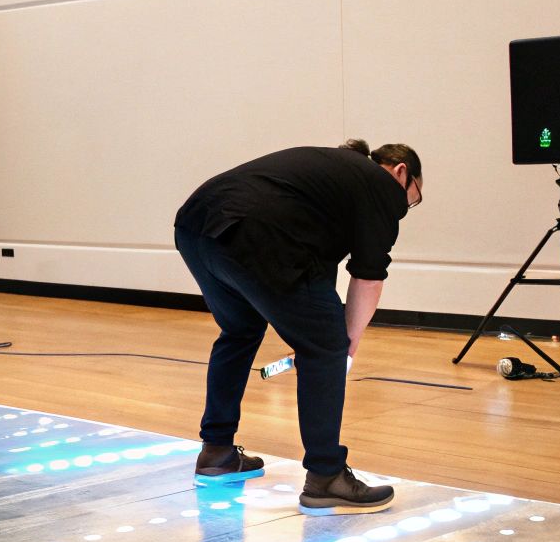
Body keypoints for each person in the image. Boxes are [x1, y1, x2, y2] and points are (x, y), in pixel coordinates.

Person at [174, 139, 422, 514]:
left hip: (195, 225)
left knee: (240, 331)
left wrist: (323, 337)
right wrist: (341, 346)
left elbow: (317, 274)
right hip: (256, 232)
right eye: (414, 198)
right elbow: (368, 278)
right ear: (402, 173)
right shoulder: (381, 186)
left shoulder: (331, 182)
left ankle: (217, 453)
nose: (406, 207)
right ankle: (326, 477)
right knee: (325, 346)